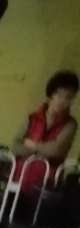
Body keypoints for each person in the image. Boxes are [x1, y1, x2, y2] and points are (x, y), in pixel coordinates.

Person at [12, 70, 79, 198]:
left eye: (69, 97)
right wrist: (44, 149)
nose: (63, 101)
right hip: (18, 179)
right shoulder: (32, 118)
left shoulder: (70, 124)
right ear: (51, 94)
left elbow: (56, 151)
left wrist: (31, 145)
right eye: (59, 94)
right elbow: (15, 146)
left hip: (45, 186)